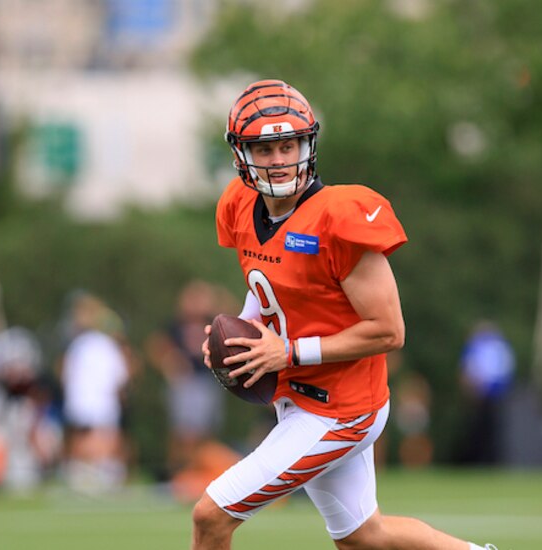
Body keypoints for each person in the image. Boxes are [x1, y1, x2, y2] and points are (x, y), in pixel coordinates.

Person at [193, 79, 496, 550]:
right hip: (298, 397)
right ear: (241, 155)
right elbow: (265, 285)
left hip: (340, 408)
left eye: (288, 145)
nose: (278, 159)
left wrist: (287, 351)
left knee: (210, 517)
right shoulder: (239, 204)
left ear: (308, 144)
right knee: (364, 538)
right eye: (265, 148)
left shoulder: (339, 216)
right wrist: (240, 331)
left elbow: (389, 331)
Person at [145, 280, 227, 481]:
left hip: (209, 380)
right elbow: (156, 345)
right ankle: (177, 474)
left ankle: (201, 474)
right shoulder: (176, 324)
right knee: (183, 432)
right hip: (186, 381)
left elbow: (236, 314)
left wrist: (214, 299)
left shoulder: (213, 321)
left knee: (206, 432)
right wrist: (170, 363)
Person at [59, 293, 131, 493]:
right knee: (102, 439)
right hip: (101, 402)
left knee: (84, 438)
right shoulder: (106, 346)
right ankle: (95, 477)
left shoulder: (79, 345)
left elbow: (67, 376)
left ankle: (84, 476)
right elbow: (120, 377)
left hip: (81, 401)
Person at [456, 320, 515, 465]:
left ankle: (487, 461)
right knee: (485, 432)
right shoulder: (498, 346)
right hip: (487, 396)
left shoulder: (481, 347)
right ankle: (484, 461)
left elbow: (467, 371)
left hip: (488, 396)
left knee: (487, 432)